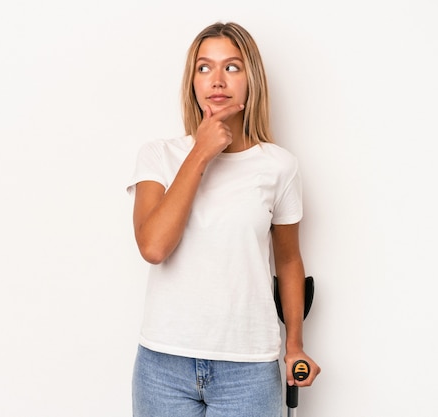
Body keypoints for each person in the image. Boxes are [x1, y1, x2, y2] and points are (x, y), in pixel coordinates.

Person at [126, 21, 320, 417]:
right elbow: (154, 246)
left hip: (249, 369)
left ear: (252, 79)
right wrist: (200, 152)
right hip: (163, 366)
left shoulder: (278, 166)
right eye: (204, 67)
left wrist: (295, 345)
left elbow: (288, 260)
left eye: (232, 67)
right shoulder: (158, 156)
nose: (217, 80)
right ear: (192, 81)